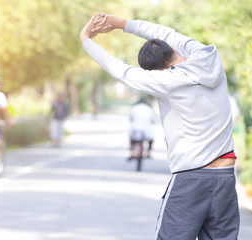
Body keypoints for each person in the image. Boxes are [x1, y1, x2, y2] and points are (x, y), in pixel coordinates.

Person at [80, 13, 239, 239]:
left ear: (157, 70)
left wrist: (86, 40)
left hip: (191, 177)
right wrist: (121, 23)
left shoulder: (166, 81)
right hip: (225, 176)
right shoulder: (207, 55)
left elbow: (121, 71)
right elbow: (165, 33)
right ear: (172, 50)